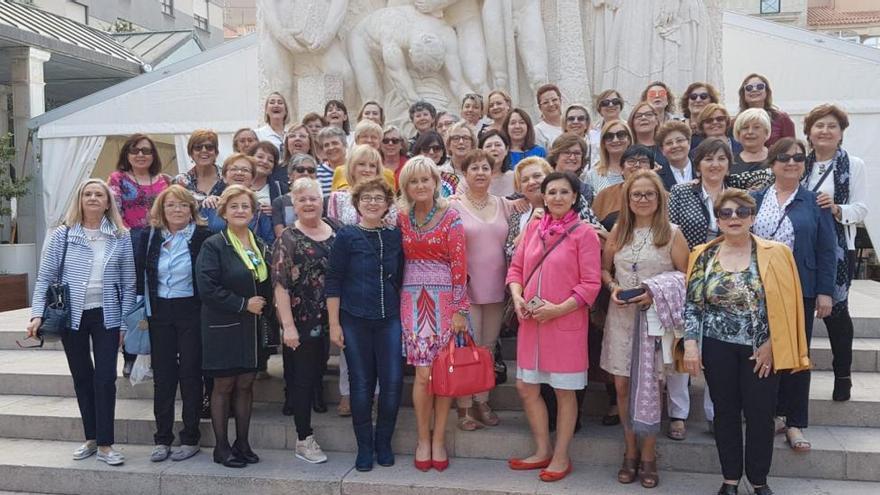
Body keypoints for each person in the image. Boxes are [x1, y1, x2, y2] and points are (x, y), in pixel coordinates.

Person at [683, 189, 809, 495]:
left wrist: (773, 344)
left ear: (752, 217)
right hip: (717, 346)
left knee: (760, 413)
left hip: (761, 349)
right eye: (726, 213)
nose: (734, 218)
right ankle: (729, 479)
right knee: (725, 412)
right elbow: (694, 304)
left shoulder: (777, 253)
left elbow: (788, 304)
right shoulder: (703, 254)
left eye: (741, 212)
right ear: (718, 219)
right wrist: (690, 344)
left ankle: (757, 479)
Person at [27, 178, 136, 466]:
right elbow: (45, 277)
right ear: (79, 200)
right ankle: (91, 438)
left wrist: (124, 323)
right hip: (70, 315)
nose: (92, 198)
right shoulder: (62, 235)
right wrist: (37, 313)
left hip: (107, 314)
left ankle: (105, 444)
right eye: (87, 193)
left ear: (107, 202)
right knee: (82, 378)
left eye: (99, 194)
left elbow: (128, 282)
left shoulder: (120, 236)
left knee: (105, 378)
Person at [506, 171, 601, 483]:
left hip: (565, 324)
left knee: (563, 391)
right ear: (543, 197)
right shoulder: (534, 228)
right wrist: (518, 296)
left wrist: (559, 309)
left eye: (564, 192)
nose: (557, 197)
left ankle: (561, 456)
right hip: (531, 324)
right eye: (551, 192)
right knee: (526, 387)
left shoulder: (584, 233)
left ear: (574, 197)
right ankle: (542, 449)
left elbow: (590, 284)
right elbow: (516, 269)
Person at [601, 170, 689, 489]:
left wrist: (654, 291)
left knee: (651, 387)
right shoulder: (619, 230)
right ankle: (630, 450)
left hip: (654, 320)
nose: (642, 199)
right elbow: (604, 268)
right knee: (622, 386)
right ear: (627, 199)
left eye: (648, 194)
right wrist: (611, 286)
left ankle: (649, 455)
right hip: (621, 317)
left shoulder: (672, 233)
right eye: (636, 194)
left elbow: (685, 276)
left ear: (659, 198)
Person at [753, 137, 836, 452]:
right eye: (784, 158)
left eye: (798, 158)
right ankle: (769, 414)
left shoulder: (816, 202)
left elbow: (827, 250)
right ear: (772, 163)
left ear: (805, 165)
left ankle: (795, 421)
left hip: (799, 288)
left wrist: (825, 293)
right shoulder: (754, 198)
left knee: (797, 356)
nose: (791, 163)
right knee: (762, 353)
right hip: (758, 289)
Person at [326, 178, 404, 472]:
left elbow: (401, 275)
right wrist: (334, 324)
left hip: (389, 319)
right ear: (357, 204)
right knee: (361, 384)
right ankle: (365, 447)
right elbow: (333, 280)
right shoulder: (346, 236)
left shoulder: (395, 235)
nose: (373, 202)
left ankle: (383, 442)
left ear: (387, 204)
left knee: (393, 382)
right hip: (354, 319)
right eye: (367, 198)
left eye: (379, 198)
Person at [397, 157, 470, 472]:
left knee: (443, 374)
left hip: (444, 301)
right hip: (411, 298)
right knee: (423, 374)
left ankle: (438, 438)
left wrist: (459, 310)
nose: (420, 186)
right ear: (406, 187)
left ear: (435, 182)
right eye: (413, 181)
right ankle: (421, 438)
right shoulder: (399, 217)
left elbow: (459, 265)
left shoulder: (451, 215)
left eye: (425, 179)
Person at [196, 185, 273, 468]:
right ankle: (222, 447)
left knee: (245, 384)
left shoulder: (260, 244)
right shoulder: (214, 244)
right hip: (223, 324)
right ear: (224, 212)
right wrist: (242, 304)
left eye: (245, 206)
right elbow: (207, 287)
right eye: (234, 206)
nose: (241, 211)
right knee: (224, 385)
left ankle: (243, 443)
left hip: (252, 328)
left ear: (253, 213)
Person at [137, 185, 212, 463]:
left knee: (191, 374)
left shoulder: (204, 236)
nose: (177, 210)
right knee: (164, 376)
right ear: (161, 209)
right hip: (159, 312)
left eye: (183, 205)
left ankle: (190, 436)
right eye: (171, 205)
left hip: (191, 310)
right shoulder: (149, 236)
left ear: (191, 210)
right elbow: (139, 275)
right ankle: (162, 438)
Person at [801, 104, 868, 402]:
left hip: (840, 248)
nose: (825, 131)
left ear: (840, 133)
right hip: (803, 248)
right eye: (819, 126)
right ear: (809, 132)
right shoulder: (798, 163)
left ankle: (843, 375)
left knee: (837, 313)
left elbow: (861, 208)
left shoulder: (853, 165)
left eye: (831, 126)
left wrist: (837, 208)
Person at [272, 177, 340, 465]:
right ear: (294, 205)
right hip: (301, 322)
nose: (309, 203)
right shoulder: (287, 238)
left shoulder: (337, 231)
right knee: (302, 380)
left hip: (334, 319)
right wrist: (287, 326)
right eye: (302, 200)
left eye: (313, 198)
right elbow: (280, 285)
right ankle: (303, 439)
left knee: (317, 374)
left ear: (322, 200)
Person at [450, 149, 515, 431]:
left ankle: (482, 400)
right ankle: (464, 407)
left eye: (485, 168)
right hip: (467, 289)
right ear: (465, 174)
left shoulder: (505, 204)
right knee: (467, 349)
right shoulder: (453, 205)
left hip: (497, 288)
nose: (479, 172)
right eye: (473, 168)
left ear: (492, 172)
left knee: (488, 349)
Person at [200, 154, 275, 245]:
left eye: (245, 170)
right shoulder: (210, 205)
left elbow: (269, 243)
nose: (239, 173)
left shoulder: (260, 209)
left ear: (252, 179)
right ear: (224, 177)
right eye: (234, 169)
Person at [592, 144, 655, 230]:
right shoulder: (605, 195)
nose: (637, 165)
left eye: (643, 161)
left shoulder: (663, 196)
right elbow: (594, 230)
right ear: (621, 169)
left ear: (652, 169)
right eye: (631, 161)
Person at [738, 73, 795, 146]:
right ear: (743, 94)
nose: (754, 90)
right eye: (749, 88)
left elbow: (792, 147)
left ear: (767, 92)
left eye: (760, 86)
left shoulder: (782, 119)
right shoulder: (736, 122)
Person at [331, 129, 396, 192]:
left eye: (372, 166)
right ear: (352, 167)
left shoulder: (386, 198)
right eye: (361, 164)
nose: (367, 170)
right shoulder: (339, 196)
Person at [271, 154, 318, 238]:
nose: (306, 173)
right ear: (290, 175)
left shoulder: (321, 201)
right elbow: (280, 235)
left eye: (311, 170)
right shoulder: (279, 202)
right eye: (300, 170)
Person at [546, 133, 596, 209]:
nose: (572, 157)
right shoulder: (541, 182)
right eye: (567, 152)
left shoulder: (586, 190)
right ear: (556, 157)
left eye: (577, 153)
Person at [173, 129, 221, 206]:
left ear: (216, 152)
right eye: (198, 147)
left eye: (209, 147)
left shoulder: (227, 178)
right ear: (191, 153)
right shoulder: (180, 181)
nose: (204, 150)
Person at [585, 120, 632, 193]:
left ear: (629, 139)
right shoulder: (592, 175)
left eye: (621, 135)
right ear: (603, 143)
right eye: (609, 136)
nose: (615, 140)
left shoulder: (639, 169)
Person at [627, 101, 669, 169]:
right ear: (632, 122)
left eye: (648, 114)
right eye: (638, 116)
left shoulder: (666, 147)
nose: (643, 118)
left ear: (656, 120)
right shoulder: (626, 149)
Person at [655, 120, 695, 191]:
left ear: (689, 143)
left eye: (679, 140)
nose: (675, 146)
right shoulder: (657, 177)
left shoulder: (702, 170)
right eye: (669, 143)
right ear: (662, 150)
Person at [248, 141, 288, 212]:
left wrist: (275, 213)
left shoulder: (281, 189)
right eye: (260, 157)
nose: (265, 161)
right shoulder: (235, 182)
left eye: (270, 160)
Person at [475, 130, 516, 197]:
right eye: (488, 146)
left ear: (506, 149)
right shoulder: (472, 178)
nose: (493, 149)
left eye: (498, 145)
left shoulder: (516, 177)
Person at [732, 109, 771, 175]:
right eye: (745, 127)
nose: (750, 132)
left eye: (756, 127)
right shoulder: (730, 162)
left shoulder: (777, 158)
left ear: (766, 132)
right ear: (738, 133)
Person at [316, 126, 348, 196]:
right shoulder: (316, 172)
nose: (331, 147)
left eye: (335, 143)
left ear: (345, 145)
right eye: (326, 145)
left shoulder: (355, 169)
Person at [534, 84, 563, 148]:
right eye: (546, 102)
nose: (551, 104)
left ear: (560, 101)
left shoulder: (572, 123)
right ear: (540, 107)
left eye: (554, 100)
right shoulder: (538, 131)